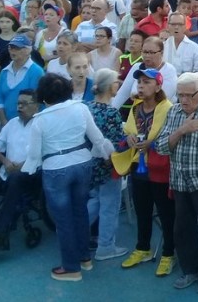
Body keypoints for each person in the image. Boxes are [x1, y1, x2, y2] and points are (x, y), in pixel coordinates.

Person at [22, 74, 115, 281]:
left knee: (63, 220)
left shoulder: (40, 120)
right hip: (82, 164)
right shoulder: (80, 108)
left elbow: (34, 154)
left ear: (44, 97)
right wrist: (106, 154)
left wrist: (28, 167)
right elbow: (96, 137)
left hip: (56, 169)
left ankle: (71, 268)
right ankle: (85, 259)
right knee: (80, 212)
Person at [155, 72, 198, 295]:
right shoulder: (174, 112)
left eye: (189, 95)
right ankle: (190, 270)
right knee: (183, 228)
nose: (184, 100)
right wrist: (183, 130)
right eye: (180, 95)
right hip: (179, 180)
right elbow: (161, 147)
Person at [112, 67, 176, 276]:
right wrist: (130, 139)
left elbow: (171, 137)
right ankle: (143, 248)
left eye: (147, 82)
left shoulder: (169, 108)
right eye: (139, 82)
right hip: (138, 167)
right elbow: (129, 132)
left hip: (159, 168)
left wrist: (152, 143)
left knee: (166, 214)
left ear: (158, 86)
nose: (141, 85)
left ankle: (168, 253)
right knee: (143, 211)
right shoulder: (135, 108)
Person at [85, 69, 127, 261]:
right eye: (116, 82)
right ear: (110, 86)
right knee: (110, 204)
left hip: (90, 163)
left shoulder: (87, 107)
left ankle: (76, 234)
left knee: (94, 201)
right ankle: (106, 246)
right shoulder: (111, 113)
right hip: (108, 165)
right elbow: (118, 142)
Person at [0, 90, 40, 251]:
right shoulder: (12, 123)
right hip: (7, 171)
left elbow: (43, 155)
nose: (20, 106)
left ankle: (1, 234)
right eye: (18, 103)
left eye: (25, 103)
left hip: (31, 175)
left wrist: (20, 166)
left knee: (16, 179)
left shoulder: (41, 125)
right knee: (10, 177)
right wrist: (5, 161)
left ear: (36, 106)